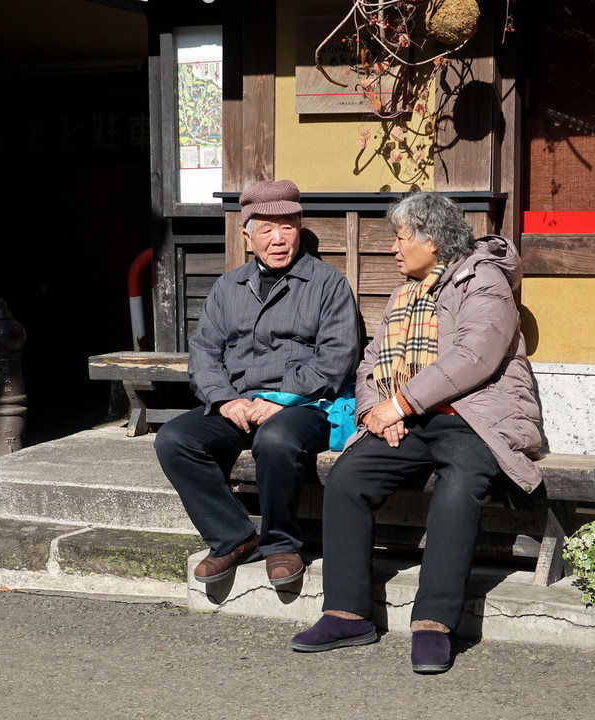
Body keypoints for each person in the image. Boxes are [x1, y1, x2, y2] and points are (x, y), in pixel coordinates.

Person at [289, 192, 543, 673]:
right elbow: (370, 362)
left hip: (474, 418)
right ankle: (346, 614)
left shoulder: (483, 281)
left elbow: (474, 357)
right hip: (411, 416)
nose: (394, 248)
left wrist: (401, 403)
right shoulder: (405, 291)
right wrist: (372, 412)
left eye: (401, 238)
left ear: (432, 240)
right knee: (347, 479)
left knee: (458, 489)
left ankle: (433, 624)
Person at [154, 179, 360, 588]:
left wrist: (283, 399)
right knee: (175, 439)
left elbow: (337, 358)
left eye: (287, 227)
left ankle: (281, 543)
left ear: (299, 229)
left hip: (305, 406)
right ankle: (232, 536)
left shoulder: (328, 284)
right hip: (240, 403)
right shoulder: (228, 287)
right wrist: (224, 400)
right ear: (247, 235)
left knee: (276, 440)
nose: (278, 239)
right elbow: (204, 353)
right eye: (266, 228)